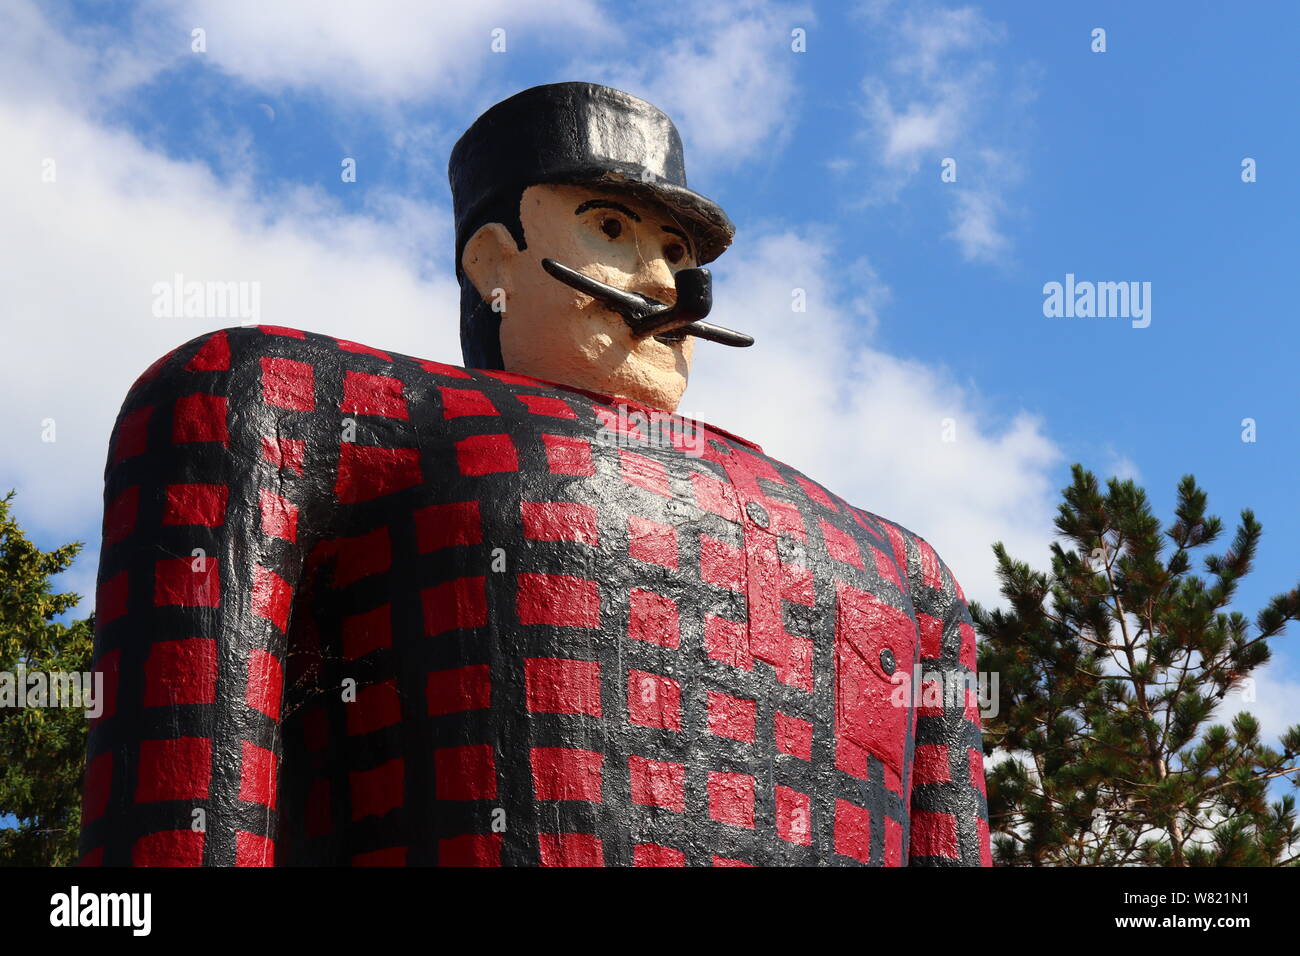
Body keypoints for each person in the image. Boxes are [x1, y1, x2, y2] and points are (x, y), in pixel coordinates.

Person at [79, 82, 990, 866]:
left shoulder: (909, 568)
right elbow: (183, 788)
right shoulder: (298, 400)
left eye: (678, 253)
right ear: (492, 260)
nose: (671, 287)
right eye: (613, 227)